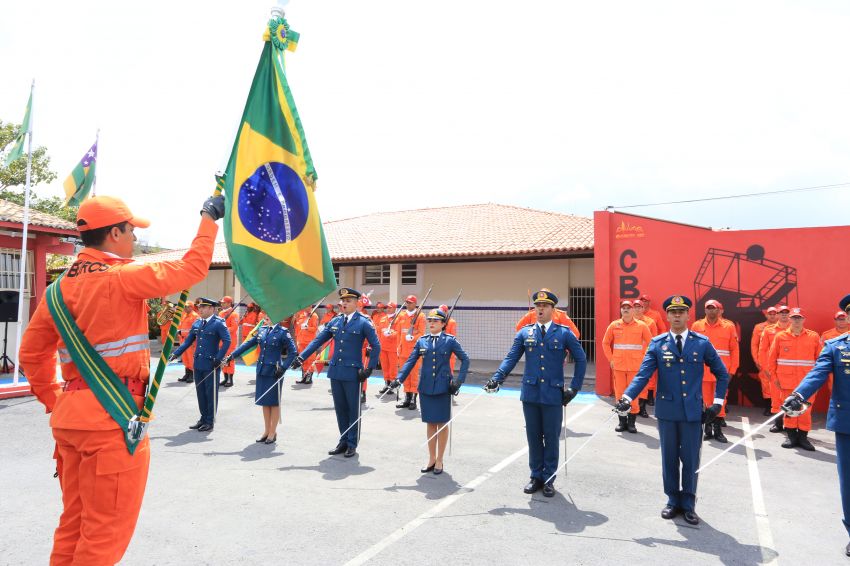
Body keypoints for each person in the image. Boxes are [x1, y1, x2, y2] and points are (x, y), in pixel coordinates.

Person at [20, 194, 222, 565]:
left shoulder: (55, 291)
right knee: (103, 536)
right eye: (130, 231)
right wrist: (209, 218)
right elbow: (194, 268)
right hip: (113, 420)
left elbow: (31, 356)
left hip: (70, 419)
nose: (134, 239)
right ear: (113, 233)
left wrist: (56, 401)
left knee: (74, 523)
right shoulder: (124, 276)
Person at [615, 295, 729, 526]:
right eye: (673, 312)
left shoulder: (701, 342)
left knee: (690, 459)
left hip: (692, 412)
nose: (677, 315)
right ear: (666, 316)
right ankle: (671, 500)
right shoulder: (658, 344)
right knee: (668, 458)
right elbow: (643, 375)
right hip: (667, 412)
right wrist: (627, 397)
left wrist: (717, 402)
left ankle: (688, 503)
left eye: (681, 311)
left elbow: (722, 373)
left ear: (688, 315)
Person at [485, 289, 587, 498]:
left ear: (552, 309)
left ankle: (548, 478)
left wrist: (574, 388)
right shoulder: (525, 332)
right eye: (537, 306)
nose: (540, 309)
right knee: (533, 436)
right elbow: (511, 358)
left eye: (545, 306)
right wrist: (497, 377)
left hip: (552, 393)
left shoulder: (564, 332)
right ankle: (535, 476)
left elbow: (582, 359)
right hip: (530, 393)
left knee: (551, 437)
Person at [783, 294, 850, 557]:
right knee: (848, 482)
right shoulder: (836, 347)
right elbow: (817, 374)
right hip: (847, 423)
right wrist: (798, 394)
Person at [294, 288, 380, 457]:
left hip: (353, 372)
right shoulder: (335, 321)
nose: (344, 303)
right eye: (343, 301)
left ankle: (352, 443)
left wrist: (369, 368)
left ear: (356, 303)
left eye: (348, 301)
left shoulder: (364, 322)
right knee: (340, 408)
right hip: (336, 371)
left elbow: (376, 345)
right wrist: (301, 357)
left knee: (353, 409)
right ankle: (343, 440)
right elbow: (318, 340)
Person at [390, 308, 470, 474]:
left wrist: (458, 381)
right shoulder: (422, 341)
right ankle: (431, 458)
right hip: (426, 388)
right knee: (430, 423)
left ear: (443, 324)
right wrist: (399, 379)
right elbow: (411, 362)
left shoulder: (450, 341)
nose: (431, 323)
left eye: (435, 321)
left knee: (441, 423)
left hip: (442, 388)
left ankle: (440, 460)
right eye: (430, 321)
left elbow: (465, 359)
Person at [226, 317, 297, 444]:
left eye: (269, 315)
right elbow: (247, 344)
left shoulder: (283, 331)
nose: (266, 318)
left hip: (275, 371)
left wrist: (284, 367)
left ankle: (272, 432)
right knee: (264, 401)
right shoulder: (262, 330)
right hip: (262, 370)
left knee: (274, 402)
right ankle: (266, 430)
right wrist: (232, 356)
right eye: (266, 316)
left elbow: (293, 352)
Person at [171, 297, 231, 432]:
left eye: (203, 307)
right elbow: (188, 341)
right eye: (199, 307)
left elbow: (227, 341)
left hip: (211, 363)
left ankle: (209, 421)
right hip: (198, 363)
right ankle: (203, 418)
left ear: (211, 308)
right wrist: (176, 353)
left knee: (210, 393)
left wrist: (218, 358)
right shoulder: (198, 323)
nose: (200, 310)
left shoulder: (219, 323)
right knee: (201, 392)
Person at [767, 307, 821, 451]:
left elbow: (820, 361)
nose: (796, 321)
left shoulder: (813, 336)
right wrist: (774, 377)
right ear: (789, 319)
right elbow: (772, 358)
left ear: (804, 320)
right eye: (794, 318)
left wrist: (816, 381)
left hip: (807, 383)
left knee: (805, 411)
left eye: (799, 318)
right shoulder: (780, 336)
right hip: (786, 381)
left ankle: (803, 438)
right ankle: (791, 437)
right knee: (790, 410)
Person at [691, 299, 739, 444]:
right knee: (705, 402)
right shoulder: (696, 325)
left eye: (714, 308)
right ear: (705, 310)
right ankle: (708, 430)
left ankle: (718, 431)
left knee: (720, 402)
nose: (711, 311)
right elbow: (691, 348)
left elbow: (734, 350)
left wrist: (732, 371)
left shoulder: (729, 327)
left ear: (719, 311)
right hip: (702, 372)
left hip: (721, 373)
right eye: (709, 308)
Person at [601, 300, 652, 433]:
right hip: (618, 366)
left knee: (633, 395)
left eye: (628, 307)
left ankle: (631, 423)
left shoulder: (642, 326)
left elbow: (651, 344)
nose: (626, 310)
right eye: (623, 307)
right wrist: (611, 359)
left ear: (633, 310)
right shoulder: (614, 325)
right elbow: (605, 343)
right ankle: (621, 422)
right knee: (620, 395)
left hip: (635, 366)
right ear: (620, 310)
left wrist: (644, 359)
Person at [759, 304, 792, 429]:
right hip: (774, 369)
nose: (784, 314)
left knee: (790, 397)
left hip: (790, 371)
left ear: (789, 315)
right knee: (776, 396)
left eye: (786, 312)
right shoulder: (768, 330)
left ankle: (790, 425)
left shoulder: (794, 329)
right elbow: (762, 350)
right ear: (777, 315)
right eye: (781, 312)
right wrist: (765, 368)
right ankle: (778, 423)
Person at [394, 294, 425, 409]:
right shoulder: (402, 315)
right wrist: (397, 346)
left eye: (410, 302)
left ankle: (413, 399)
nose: (408, 304)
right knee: (404, 375)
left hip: (414, 351)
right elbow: (398, 332)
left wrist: (413, 337)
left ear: (415, 303)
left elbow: (422, 333)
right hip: (402, 351)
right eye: (407, 302)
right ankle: (407, 397)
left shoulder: (420, 316)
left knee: (414, 376)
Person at [515, 290, 580, 338]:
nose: (541, 308)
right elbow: (519, 328)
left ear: (552, 307)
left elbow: (575, 334)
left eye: (545, 305)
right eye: (538, 305)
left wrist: (563, 349)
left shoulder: (560, 315)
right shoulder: (531, 314)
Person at [751, 307, 779, 415]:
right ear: (766, 315)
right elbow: (754, 345)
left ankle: (779, 408)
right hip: (765, 361)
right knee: (766, 384)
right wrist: (756, 360)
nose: (772, 316)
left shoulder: (785, 327)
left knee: (780, 384)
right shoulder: (759, 327)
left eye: (774, 313)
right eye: (770, 314)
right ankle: (768, 407)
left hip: (779, 361)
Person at [375, 303, 400, 395]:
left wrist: (391, 333)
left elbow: (399, 332)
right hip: (383, 347)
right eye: (387, 308)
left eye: (390, 308)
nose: (388, 309)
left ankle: (392, 385)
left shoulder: (397, 319)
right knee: (385, 367)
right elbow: (378, 332)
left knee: (392, 367)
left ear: (394, 308)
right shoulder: (383, 319)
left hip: (393, 347)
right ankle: (387, 384)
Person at [294, 307, 319, 384]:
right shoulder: (301, 315)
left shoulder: (314, 316)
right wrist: (297, 339)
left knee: (310, 360)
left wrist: (307, 327)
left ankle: (309, 377)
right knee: (302, 360)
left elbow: (315, 328)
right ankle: (303, 377)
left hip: (309, 342)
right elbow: (297, 329)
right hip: (301, 341)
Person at [218, 295, 239, 387]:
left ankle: (230, 379)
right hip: (221, 341)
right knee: (222, 359)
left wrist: (223, 330)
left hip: (229, 341)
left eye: (224, 303)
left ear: (229, 303)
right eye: (222, 303)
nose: (222, 304)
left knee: (229, 360)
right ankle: (225, 378)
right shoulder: (221, 314)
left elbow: (234, 328)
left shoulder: (234, 314)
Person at [176, 300, 198, 382]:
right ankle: (187, 373)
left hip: (190, 341)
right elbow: (180, 326)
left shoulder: (195, 316)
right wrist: (179, 332)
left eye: (187, 306)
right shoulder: (184, 315)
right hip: (183, 340)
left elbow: (195, 330)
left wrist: (182, 332)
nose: (185, 308)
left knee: (190, 358)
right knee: (185, 358)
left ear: (192, 307)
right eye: (185, 306)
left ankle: (192, 375)